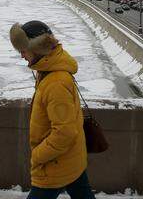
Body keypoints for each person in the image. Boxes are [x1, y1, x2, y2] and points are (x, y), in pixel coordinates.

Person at [9, 20, 95, 199]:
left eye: (23, 51)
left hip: (54, 164)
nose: (22, 56)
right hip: (71, 159)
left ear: (37, 49)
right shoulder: (48, 69)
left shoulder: (55, 82)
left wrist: (38, 155)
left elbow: (64, 132)